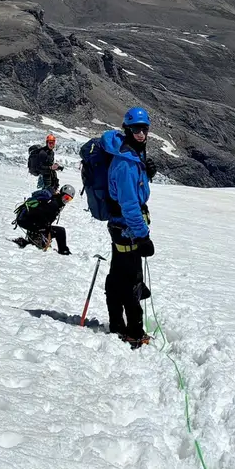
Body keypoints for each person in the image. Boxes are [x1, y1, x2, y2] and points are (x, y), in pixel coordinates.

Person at [103, 106, 155, 347]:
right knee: (131, 280)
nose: (141, 134)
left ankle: (116, 324)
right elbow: (129, 205)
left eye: (144, 129)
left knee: (118, 277)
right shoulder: (125, 162)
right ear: (127, 129)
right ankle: (134, 331)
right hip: (128, 230)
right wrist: (143, 236)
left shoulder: (130, 155)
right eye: (136, 129)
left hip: (121, 228)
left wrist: (146, 176)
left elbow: (131, 191)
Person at [12, 185, 74, 255]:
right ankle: (64, 251)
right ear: (61, 194)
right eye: (66, 197)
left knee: (56, 231)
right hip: (28, 221)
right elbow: (39, 214)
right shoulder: (53, 203)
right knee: (60, 231)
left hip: (26, 221)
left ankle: (33, 239)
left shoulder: (54, 201)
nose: (66, 201)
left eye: (69, 199)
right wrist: (43, 228)